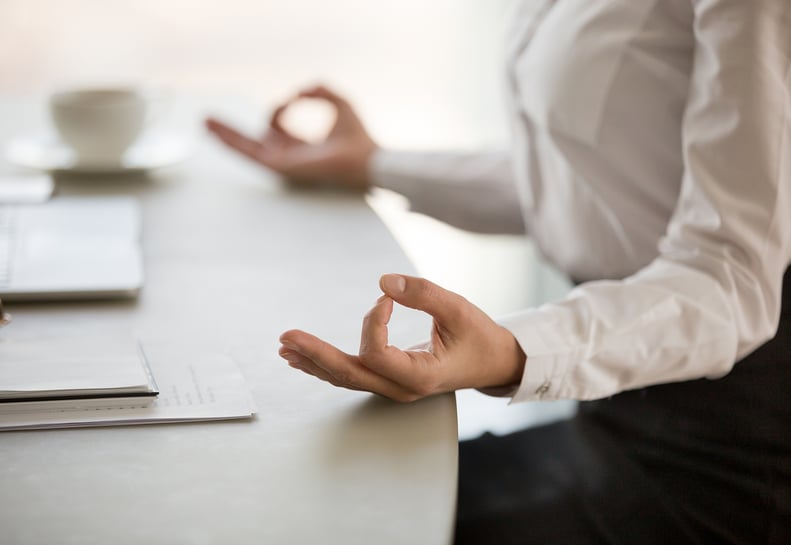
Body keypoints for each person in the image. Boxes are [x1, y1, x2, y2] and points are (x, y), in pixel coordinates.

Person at [207, 0, 791, 542]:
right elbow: (587, 186)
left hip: (727, 453)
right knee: (331, 495)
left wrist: (511, 352)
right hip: (617, 411)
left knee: (345, 524)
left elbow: (732, 279)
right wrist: (374, 165)